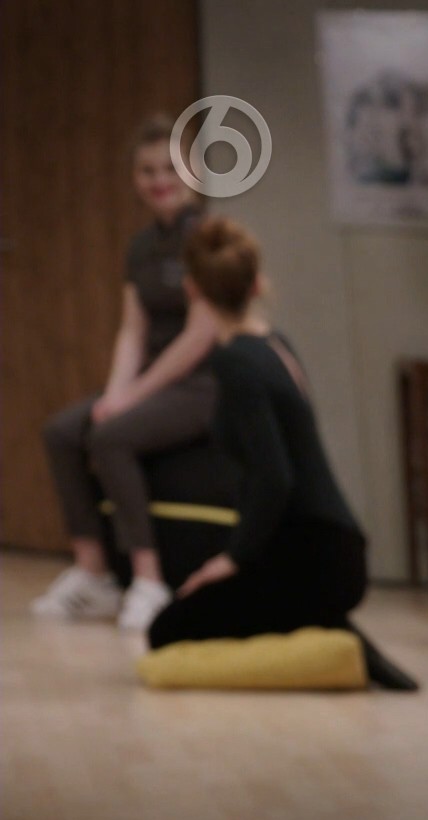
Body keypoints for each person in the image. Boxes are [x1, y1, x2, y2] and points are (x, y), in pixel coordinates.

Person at [144, 215, 416, 692]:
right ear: (257, 284)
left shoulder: (234, 361)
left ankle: (332, 630)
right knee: (209, 596)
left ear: (192, 290)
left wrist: (233, 560)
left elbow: (275, 477)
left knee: (165, 630)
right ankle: (329, 624)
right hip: (338, 550)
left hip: (313, 559)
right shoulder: (275, 344)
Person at [34, 113, 223, 632]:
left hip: (203, 383)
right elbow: (133, 332)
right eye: (147, 170)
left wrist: (131, 397)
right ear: (135, 179)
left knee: (111, 436)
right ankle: (93, 573)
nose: (160, 180)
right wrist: (116, 393)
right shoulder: (139, 247)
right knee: (62, 431)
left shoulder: (208, 237)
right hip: (152, 384)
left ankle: (148, 580)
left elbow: (200, 335)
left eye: (171, 168)